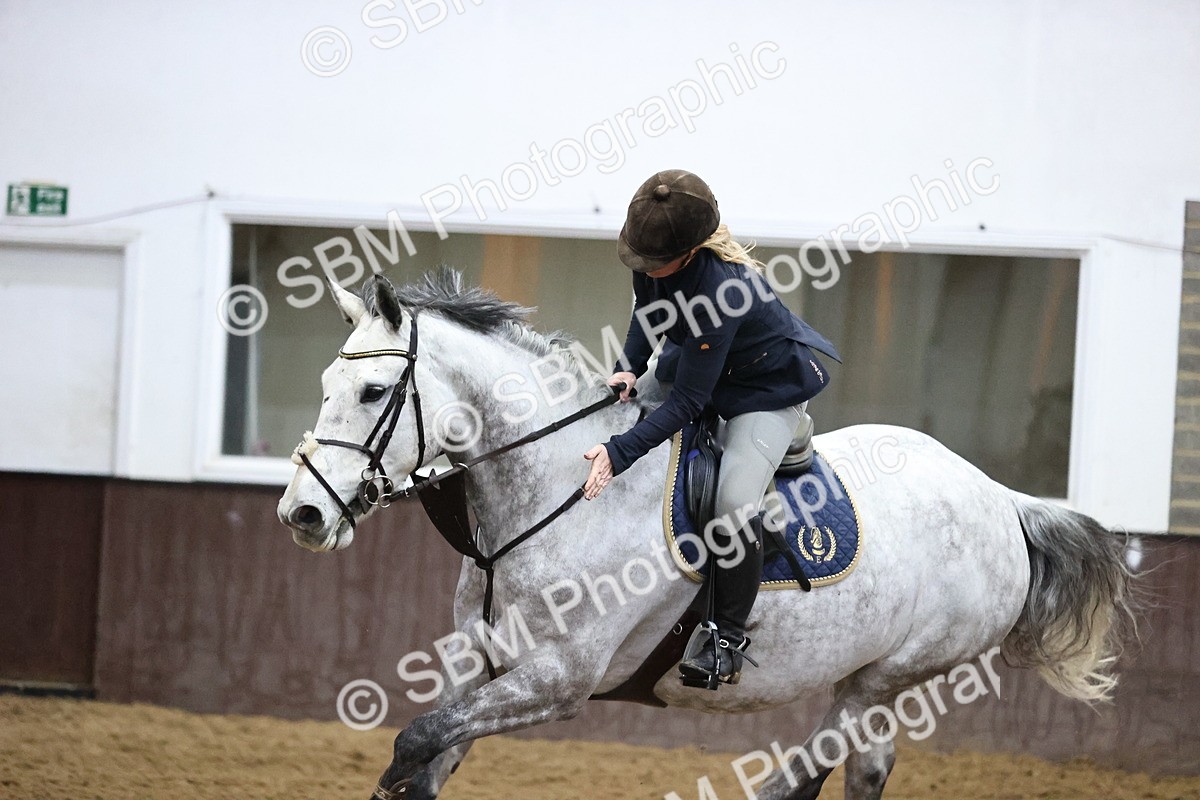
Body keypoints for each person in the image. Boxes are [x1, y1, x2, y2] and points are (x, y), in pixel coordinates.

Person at [582, 169, 841, 686]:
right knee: (608, 414)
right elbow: (647, 313)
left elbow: (688, 403)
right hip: (700, 367)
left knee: (734, 503)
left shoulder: (723, 292)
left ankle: (726, 640)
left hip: (763, 392)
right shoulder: (653, 259)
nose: (644, 269)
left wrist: (618, 452)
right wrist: (628, 367)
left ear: (689, 254)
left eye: (654, 263)